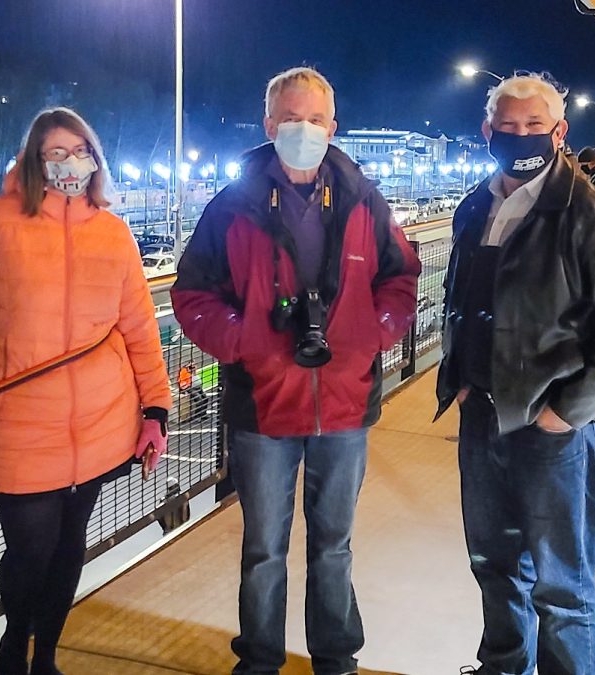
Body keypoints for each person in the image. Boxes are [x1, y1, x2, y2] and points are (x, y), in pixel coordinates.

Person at [172, 66, 420, 675]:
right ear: (268, 124)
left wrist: (373, 334)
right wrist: (245, 339)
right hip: (262, 403)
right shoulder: (232, 206)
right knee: (263, 549)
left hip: (344, 401)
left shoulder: (364, 197)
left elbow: (402, 278)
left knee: (334, 546)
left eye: (314, 119)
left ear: (334, 126)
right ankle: (259, 660)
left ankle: (335, 658)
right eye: (290, 118)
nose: (302, 129)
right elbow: (192, 293)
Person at [436, 73, 595, 675]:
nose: (521, 136)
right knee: (493, 563)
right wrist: (456, 376)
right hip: (483, 414)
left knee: (563, 584)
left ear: (559, 132)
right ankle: (504, 665)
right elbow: (462, 295)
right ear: (488, 132)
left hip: (552, 428)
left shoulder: (589, 212)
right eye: (508, 126)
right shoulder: (475, 206)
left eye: (535, 126)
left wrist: (567, 412)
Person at [0, 107, 173, 675]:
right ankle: (14, 647)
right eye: (55, 152)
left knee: (68, 549)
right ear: (34, 160)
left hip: (101, 424)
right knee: (29, 551)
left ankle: (46, 656)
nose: (69, 163)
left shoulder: (112, 231)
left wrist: (156, 409)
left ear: (95, 160)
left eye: (79, 151)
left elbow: (139, 327)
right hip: (22, 425)